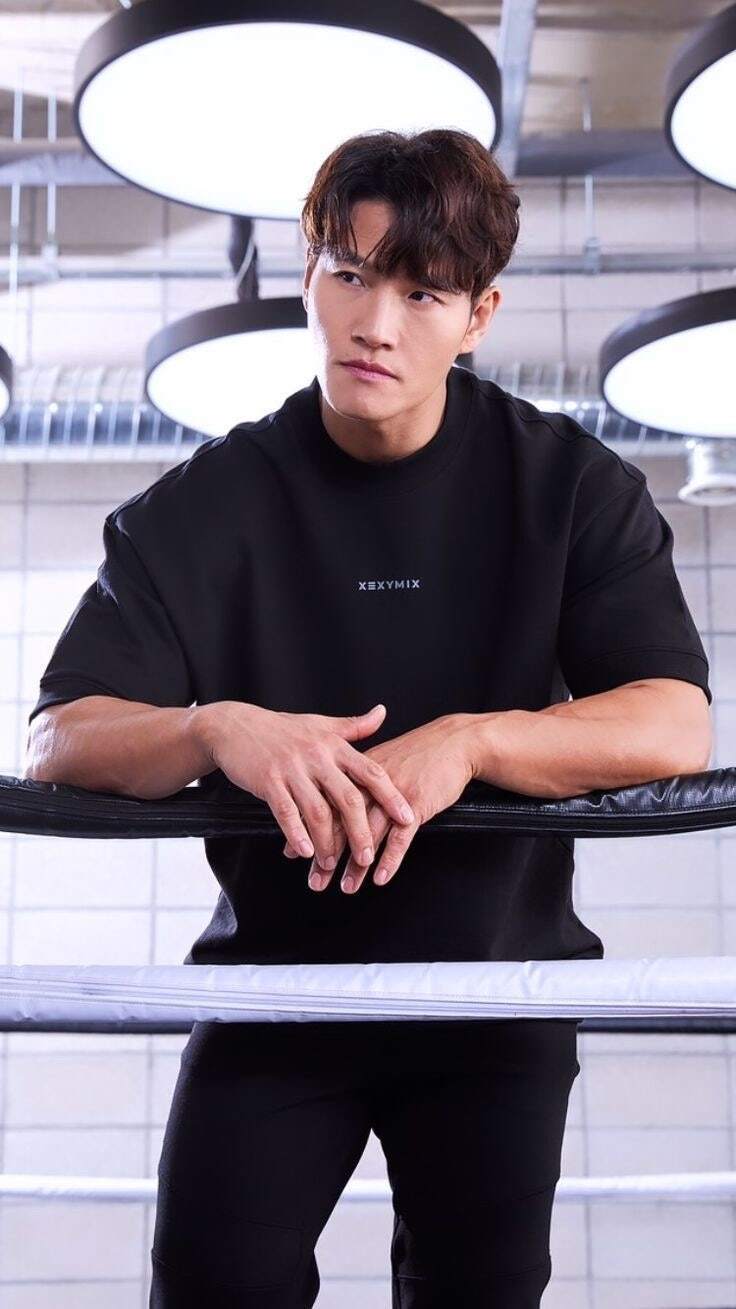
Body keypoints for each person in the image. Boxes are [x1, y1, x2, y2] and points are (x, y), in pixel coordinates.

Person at [25, 128, 712, 1307]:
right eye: (348, 275)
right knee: (210, 1283)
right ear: (307, 276)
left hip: (494, 994)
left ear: (478, 315)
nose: (375, 324)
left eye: (421, 293)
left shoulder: (569, 484)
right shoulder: (202, 506)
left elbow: (672, 724)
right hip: (275, 992)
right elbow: (58, 739)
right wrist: (213, 727)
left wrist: (474, 739)